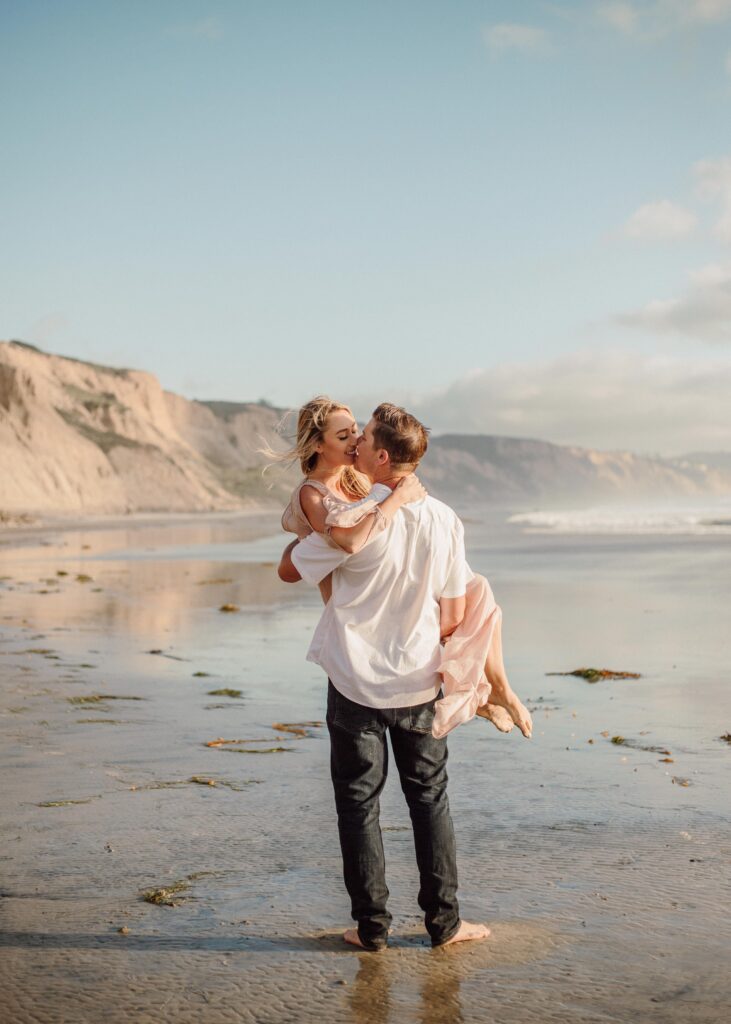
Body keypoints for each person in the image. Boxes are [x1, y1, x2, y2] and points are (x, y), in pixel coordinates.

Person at [277, 402, 532, 951]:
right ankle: (446, 925)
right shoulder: (443, 519)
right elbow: (454, 613)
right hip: (417, 681)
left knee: (358, 804)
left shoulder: (351, 518)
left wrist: (303, 535)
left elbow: (291, 567)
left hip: (352, 681)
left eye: (363, 438)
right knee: (429, 800)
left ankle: (371, 930)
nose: (356, 446)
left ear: (382, 455)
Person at [275, 397, 531, 738]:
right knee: (455, 599)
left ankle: (489, 687)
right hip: (355, 607)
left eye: (357, 432)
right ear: (318, 444)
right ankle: (476, 693)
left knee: (478, 589)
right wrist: (397, 499)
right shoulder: (314, 494)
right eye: (344, 436)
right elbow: (345, 541)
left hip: (383, 596)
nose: (355, 441)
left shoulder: (356, 483)